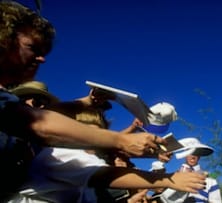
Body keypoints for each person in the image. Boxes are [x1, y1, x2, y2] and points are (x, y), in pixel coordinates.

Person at [0, 1, 201, 200]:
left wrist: (88, 103)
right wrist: (125, 143)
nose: (41, 59)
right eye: (32, 47)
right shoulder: (39, 138)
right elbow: (39, 123)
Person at [8, 101, 206, 203]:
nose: (96, 139)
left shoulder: (82, 158)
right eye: (89, 132)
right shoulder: (58, 155)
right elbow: (105, 175)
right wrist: (169, 179)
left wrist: (152, 154)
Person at [161, 138, 222, 203]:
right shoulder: (173, 177)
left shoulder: (210, 181)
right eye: (190, 151)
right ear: (185, 154)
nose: (193, 156)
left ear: (199, 156)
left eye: (196, 152)